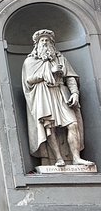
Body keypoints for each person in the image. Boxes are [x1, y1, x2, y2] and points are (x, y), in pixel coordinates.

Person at [22, 29, 90, 167]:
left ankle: (76, 157)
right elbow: (29, 80)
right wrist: (48, 72)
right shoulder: (30, 61)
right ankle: (58, 158)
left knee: (73, 124)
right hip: (44, 95)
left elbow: (70, 77)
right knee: (49, 127)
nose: (45, 42)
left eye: (47, 40)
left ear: (52, 44)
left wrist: (75, 93)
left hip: (61, 92)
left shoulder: (61, 59)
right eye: (42, 40)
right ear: (37, 45)